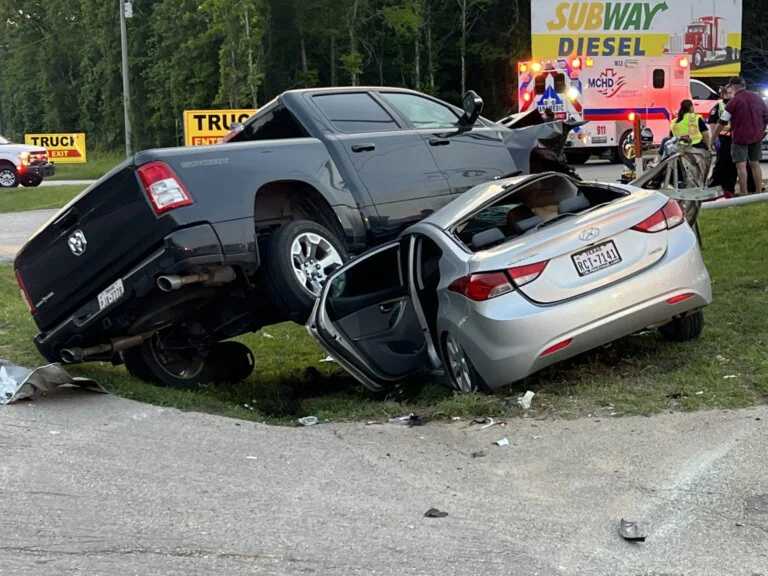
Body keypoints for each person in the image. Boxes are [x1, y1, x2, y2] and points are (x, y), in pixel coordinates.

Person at [712, 77, 768, 196]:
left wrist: (713, 138)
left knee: (741, 167)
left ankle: (744, 194)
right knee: (755, 164)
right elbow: (765, 117)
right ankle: (758, 192)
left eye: (730, 88)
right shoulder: (757, 98)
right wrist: (762, 131)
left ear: (733, 87)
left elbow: (722, 122)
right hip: (757, 137)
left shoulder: (734, 101)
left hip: (740, 138)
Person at [708, 85, 756, 197]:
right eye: (728, 93)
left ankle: (743, 188)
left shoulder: (738, 104)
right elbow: (712, 122)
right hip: (723, 139)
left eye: (731, 93)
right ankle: (719, 187)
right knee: (722, 164)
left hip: (736, 137)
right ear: (723, 94)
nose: (730, 95)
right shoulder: (719, 106)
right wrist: (715, 139)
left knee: (740, 164)